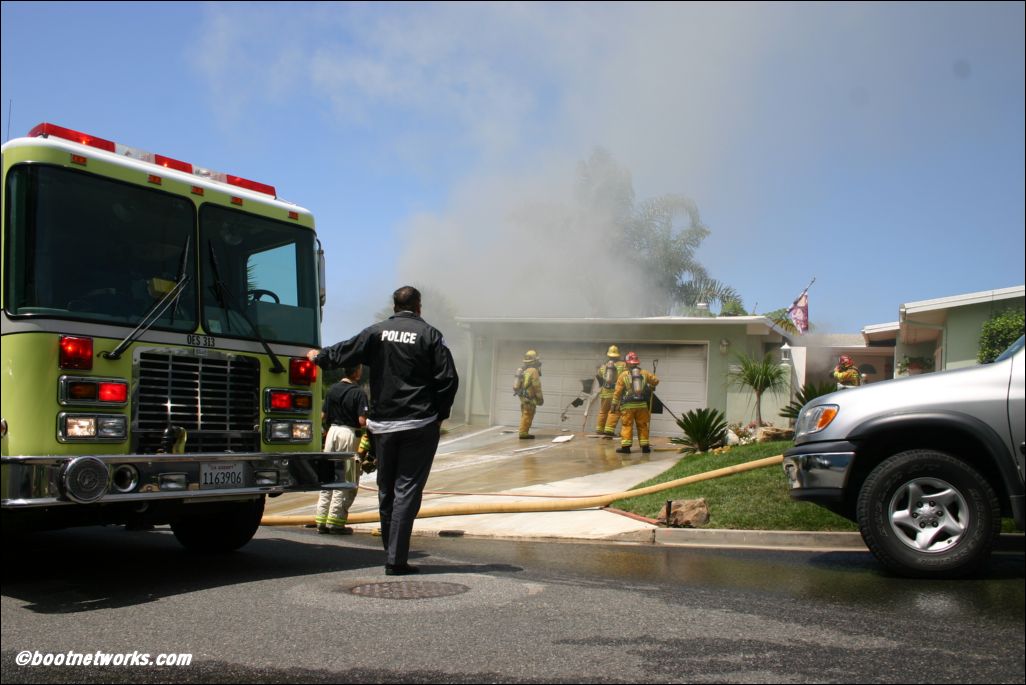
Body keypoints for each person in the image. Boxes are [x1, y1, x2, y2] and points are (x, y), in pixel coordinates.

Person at [307, 286, 459, 576]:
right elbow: (448, 379)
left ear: (394, 306)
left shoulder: (376, 332)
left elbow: (344, 351)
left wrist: (319, 357)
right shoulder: (430, 335)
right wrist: (439, 415)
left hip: (382, 427)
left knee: (386, 489)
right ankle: (396, 560)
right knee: (407, 490)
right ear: (418, 307)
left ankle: (391, 554)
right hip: (418, 424)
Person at [315, 365, 368, 535]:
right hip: (349, 435)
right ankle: (336, 523)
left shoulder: (331, 390)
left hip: (332, 434)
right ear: (356, 372)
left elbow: (322, 416)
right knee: (346, 479)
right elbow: (361, 421)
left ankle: (321, 521)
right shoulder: (358, 392)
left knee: (328, 477)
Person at [610, 351, 659, 454]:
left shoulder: (623, 375)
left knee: (627, 425)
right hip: (642, 405)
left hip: (628, 406)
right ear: (637, 362)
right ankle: (645, 447)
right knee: (642, 425)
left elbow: (617, 391)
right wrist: (651, 386)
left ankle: (626, 448)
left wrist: (614, 404)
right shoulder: (645, 373)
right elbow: (656, 381)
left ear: (628, 363)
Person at [595, 344, 626, 438]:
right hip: (615, 393)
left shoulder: (604, 366)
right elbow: (626, 375)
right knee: (614, 411)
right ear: (618, 355)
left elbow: (600, 375)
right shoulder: (622, 365)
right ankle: (609, 430)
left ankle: (599, 429)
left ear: (608, 355)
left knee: (603, 411)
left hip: (605, 393)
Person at [513, 350, 544, 439]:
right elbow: (536, 386)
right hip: (529, 396)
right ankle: (523, 433)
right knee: (528, 413)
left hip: (523, 395)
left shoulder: (524, 369)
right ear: (534, 361)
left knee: (525, 412)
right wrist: (540, 398)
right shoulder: (533, 371)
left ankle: (524, 431)